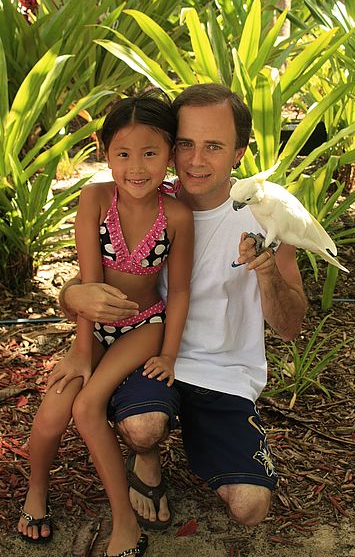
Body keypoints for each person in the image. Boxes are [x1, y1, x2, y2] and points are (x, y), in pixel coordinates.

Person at [56, 83, 307, 532]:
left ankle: (207, 439)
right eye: (186, 144)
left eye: (213, 146)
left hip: (225, 373)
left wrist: (268, 273)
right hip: (148, 356)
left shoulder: (265, 212)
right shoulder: (148, 198)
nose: (195, 160)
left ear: (239, 152)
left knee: (250, 508)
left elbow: (290, 326)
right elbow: (101, 280)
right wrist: (69, 295)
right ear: (170, 148)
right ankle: (147, 454)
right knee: (143, 427)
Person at [17, 90, 194, 557]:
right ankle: (36, 491)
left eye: (151, 153)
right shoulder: (95, 199)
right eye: (123, 154)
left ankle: (124, 523)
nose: (137, 167)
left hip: (143, 327)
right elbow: (90, 286)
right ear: (104, 152)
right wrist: (80, 349)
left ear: (171, 153)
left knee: (88, 406)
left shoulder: (176, 216)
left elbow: (176, 291)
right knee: (54, 409)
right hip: (93, 327)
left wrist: (169, 353)